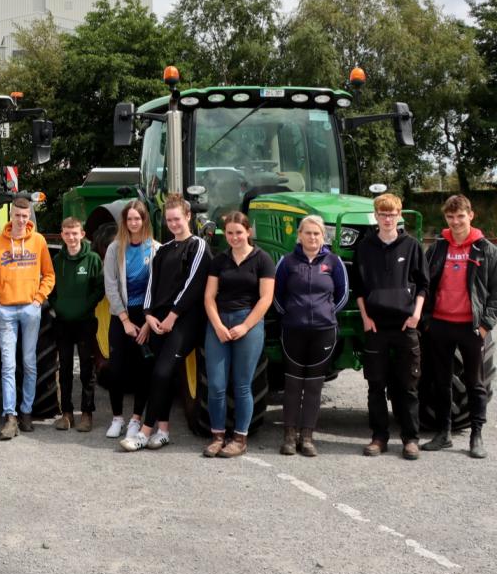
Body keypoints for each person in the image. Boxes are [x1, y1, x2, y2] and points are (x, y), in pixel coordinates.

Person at [120, 194, 209, 452]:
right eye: (169, 219)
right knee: (159, 375)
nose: (173, 223)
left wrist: (173, 315)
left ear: (188, 217)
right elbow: (152, 285)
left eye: (177, 219)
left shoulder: (198, 246)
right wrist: (148, 314)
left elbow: (192, 285)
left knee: (162, 372)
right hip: (158, 321)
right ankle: (164, 430)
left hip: (183, 322)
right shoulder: (164, 250)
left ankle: (145, 432)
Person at [421, 194, 497, 459]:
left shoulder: (486, 249)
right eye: (450, 217)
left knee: (475, 383)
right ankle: (443, 434)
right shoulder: (438, 247)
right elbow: (425, 283)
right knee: (441, 383)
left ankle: (476, 436)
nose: (455, 222)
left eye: (460, 216)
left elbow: (494, 293)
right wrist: (427, 321)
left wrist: (486, 324)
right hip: (440, 325)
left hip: (471, 328)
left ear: (471, 215)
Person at [353, 194, 428, 460]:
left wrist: (416, 315)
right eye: (382, 214)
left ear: (399, 215)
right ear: (376, 216)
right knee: (376, 385)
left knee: (408, 385)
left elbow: (422, 284)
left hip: (405, 325)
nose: (387, 219)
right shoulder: (365, 246)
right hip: (375, 326)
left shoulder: (412, 246)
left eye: (391, 214)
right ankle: (379, 437)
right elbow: (359, 286)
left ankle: (410, 439)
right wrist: (365, 316)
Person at [272, 215, 348, 457]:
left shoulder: (334, 262)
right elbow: (276, 295)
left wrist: (326, 315)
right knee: (293, 385)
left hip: (323, 333)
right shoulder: (286, 262)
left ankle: (307, 437)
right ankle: (289, 436)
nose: (312, 237)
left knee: (314, 386)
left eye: (317, 233)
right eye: (308, 233)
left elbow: (343, 294)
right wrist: (291, 315)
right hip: (293, 330)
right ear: (299, 235)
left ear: (323, 237)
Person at [201, 211, 275, 458]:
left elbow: (266, 299)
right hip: (219, 322)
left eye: (239, 233)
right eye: (230, 233)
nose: (234, 237)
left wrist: (245, 326)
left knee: (243, 385)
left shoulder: (262, 259)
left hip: (248, 322)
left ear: (248, 232)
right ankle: (217, 436)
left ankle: (240, 438)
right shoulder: (219, 260)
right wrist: (218, 326)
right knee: (216, 385)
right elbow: (209, 296)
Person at [0, 197, 55, 440]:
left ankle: (26, 411)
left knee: (29, 363)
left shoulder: (38, 241)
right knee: (8, 364)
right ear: (11, 216)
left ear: (29, 218)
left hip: (30, 309)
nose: (21, 220)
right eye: (17, 215)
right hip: (6, 310)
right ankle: (10, 416)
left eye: (25, 216)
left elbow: (48, 274)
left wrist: (38, 299)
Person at [103, 201, 159, 441]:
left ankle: (136, 419)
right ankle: (117, 418)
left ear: (144, 221)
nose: (134, 223)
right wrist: (124, 320)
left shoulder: (156, 249)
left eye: (138, 219)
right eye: (130, 219)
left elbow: (159, 287)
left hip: (146, 316)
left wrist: (148, 321)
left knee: (142, 370)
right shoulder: (115, 249)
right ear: (124, 222)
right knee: (115, 370)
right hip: (122, 315)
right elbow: (111, 285)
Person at [47, 217, 103, 432]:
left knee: (87, 369)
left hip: (86, 322)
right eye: (67, 233)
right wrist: (57, 306)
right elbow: (51, 289)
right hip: (62, 322)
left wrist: (86, 307)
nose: (71, 237)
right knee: (65, 369)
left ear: (82, 234)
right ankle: (67, 413)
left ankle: (87, 413)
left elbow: (99, 288)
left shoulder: (93, 259)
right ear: (62, 235)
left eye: (75, 233)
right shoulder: (57, 260)